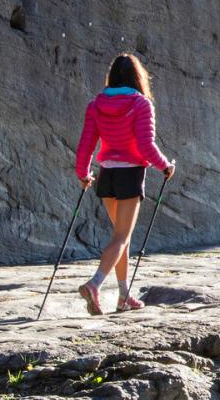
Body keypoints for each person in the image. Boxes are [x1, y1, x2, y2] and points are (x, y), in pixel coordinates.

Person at [73, 53, 175, 314]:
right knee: (121, 237)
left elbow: (87, 143)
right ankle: (95, 284)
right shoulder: (141, 104)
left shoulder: (96, 105)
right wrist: (165, 165)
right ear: (137, 77)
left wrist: (83, 173)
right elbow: (145, 145)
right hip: (130, 175)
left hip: (106, 175)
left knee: (123, 238)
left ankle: (123, 296)